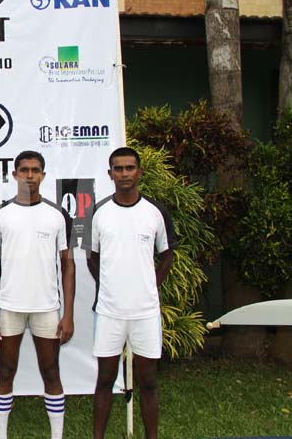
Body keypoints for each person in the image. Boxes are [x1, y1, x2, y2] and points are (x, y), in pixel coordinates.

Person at [0, 150, 75, 439]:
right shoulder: (1, 214)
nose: (29, 175)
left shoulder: (57, 215)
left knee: (51, 372)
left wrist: (68, 315)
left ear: (43, 175)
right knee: (6, 370)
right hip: (10, 307)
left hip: (47, 308)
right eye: (24, 170)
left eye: (35, 170)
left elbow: (68, 265)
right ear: (15, 174)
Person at [84, 147, 177, 439]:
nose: (124, 174)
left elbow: (167, 255)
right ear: (110, 174)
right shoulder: (99, 212)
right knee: (105, 381)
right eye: (118, 168)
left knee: (148, 382)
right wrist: (109, 285)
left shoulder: (155, 212)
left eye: (129, 168)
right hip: (109, 312)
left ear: (139, 172)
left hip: (145, 313)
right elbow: (91, 258)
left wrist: (150, 285)